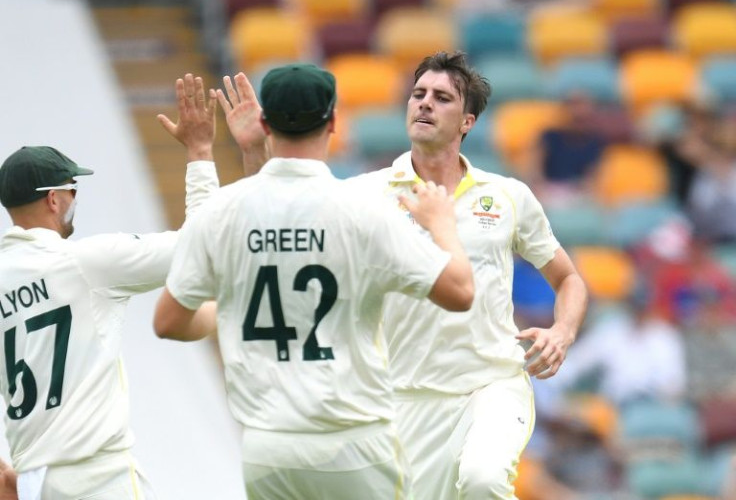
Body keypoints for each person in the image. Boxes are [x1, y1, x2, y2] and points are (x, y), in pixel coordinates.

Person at [228, 51, 589, 499]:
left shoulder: (508, 195)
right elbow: (279, 227)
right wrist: (253, 152)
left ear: (467, 122)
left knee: (483, 480)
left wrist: (563, 331)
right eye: (418, 94)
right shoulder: (362, 194)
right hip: (402, 398)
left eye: (441, 98)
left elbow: (568, 279)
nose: (424, 104)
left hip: (490, 383)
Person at [152, 63, 475, 499]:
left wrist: (230, 310)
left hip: (268, 448)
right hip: (353, 442)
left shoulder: (221, 210)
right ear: (334, 122)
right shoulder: (364, 209)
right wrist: (443, 224)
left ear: (265, 124)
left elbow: (168, 322)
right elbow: (459, 293)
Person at [0, 74, 219, 500]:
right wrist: (200, 151)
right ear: (53, 200)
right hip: (98, 477)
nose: (74, 198)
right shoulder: (84, 263)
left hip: (32, 482)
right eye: (72, 188)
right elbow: (205, 243)